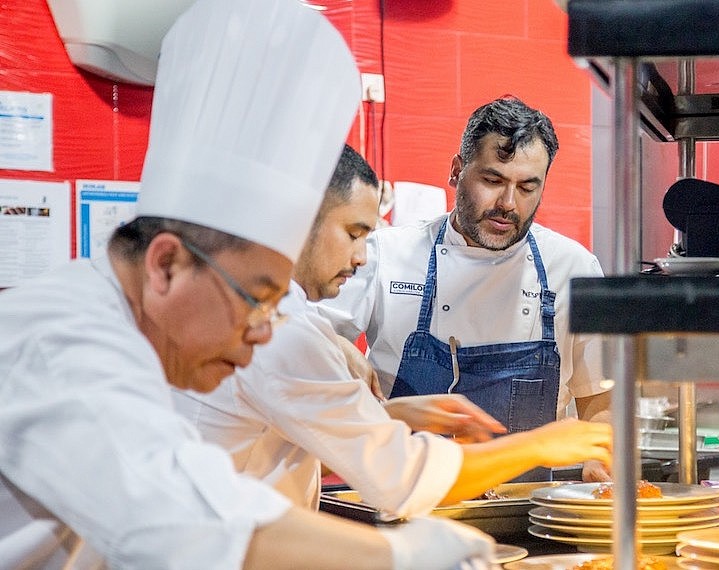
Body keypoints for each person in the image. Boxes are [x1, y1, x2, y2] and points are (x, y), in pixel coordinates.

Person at [0, 1, 493, 569]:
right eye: (258, 300)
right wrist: (399, 555)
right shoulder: (64, 342)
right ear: (167, 265)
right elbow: (181, 523)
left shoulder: (128, 330)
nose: (263, 334)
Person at [172, 144, 613, 513]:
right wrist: (538, 445)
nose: (362, 257)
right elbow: (402, 478)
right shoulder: (282, 332)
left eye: (528, 187)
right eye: (353, 233)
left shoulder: (276, 315)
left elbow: (302, 426)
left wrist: (392, 414)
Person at [322, 96, 613, 482]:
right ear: (457, 171)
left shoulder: (573, 268)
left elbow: (599, 397)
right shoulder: (386, 254)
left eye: (527, 187)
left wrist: (600, 459)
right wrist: (335, 344)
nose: (508, 203)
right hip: (407, 491)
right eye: (493, 181)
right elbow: (302, 332)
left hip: (528, 504)